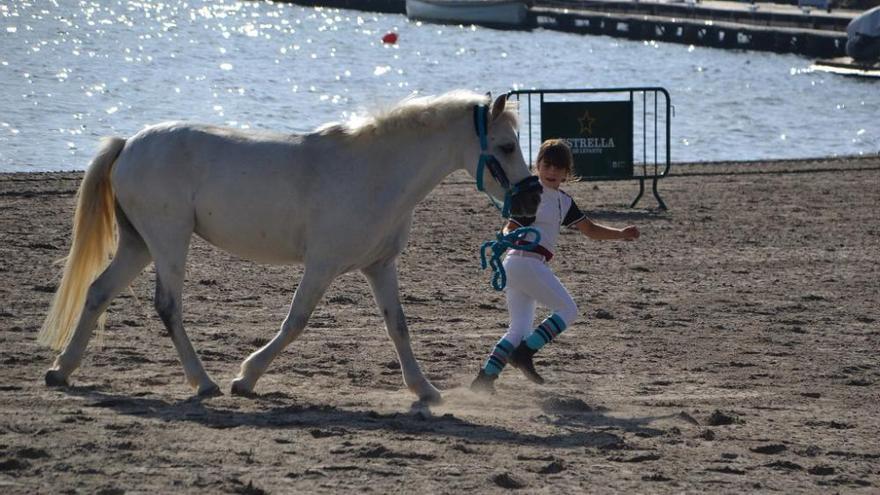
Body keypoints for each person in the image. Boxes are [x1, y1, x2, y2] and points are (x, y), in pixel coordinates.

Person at [470, 139, 640, 394]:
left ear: (566, 173)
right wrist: (506, 233)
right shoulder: (532, 194)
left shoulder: (564, 201)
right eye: (547, 165)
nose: (552, 172)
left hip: (520, 267)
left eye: (558, 168)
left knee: (518, 329)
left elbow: (590, 230)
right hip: (523, 263)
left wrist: (622, 234)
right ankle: (524, 354)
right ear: (537, 166)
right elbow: (511, 225)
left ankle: (484, 379)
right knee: (568, 310)